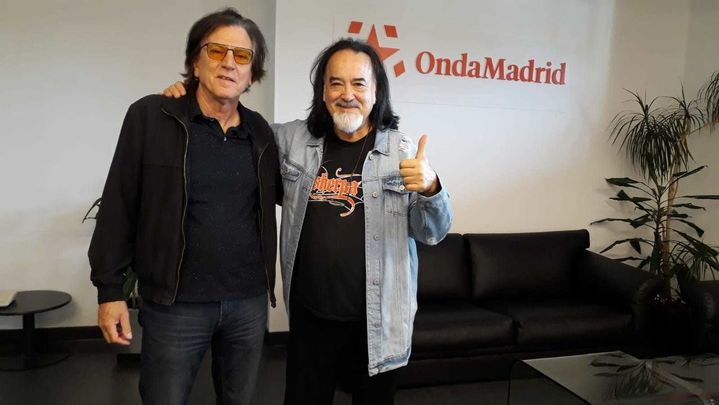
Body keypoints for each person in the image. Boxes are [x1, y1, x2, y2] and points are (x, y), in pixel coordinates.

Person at [164, 38, 452, 405]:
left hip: (378, 323)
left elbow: (431, 233)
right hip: (310, 319)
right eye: (336, 83)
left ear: (377, 92)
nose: (347, 94)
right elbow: (234, 127)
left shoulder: (401, 152)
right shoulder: (292, 140)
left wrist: (431, 187)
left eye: (359, 84)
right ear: (323, 93)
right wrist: (194, 97)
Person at [89, 8, 279, 405]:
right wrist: (110, 291)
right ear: (195, 61)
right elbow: (119, 204)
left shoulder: (260, 132)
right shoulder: (152, 117)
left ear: (252, 75)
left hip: (247, 302)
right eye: (216, 50)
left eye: (242, 56)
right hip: (176, 305)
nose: (229, 62)